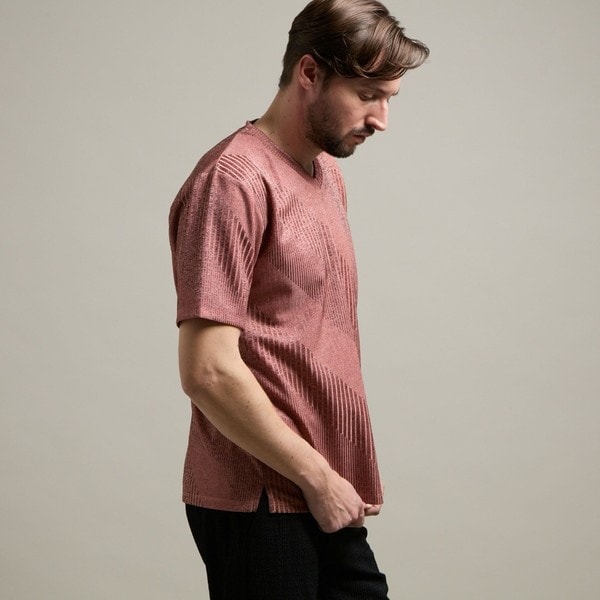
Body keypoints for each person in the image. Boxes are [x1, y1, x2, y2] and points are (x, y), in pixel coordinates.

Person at [168, 0, 428, 597]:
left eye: (390, 98)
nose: (382, 119)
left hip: (318, 490)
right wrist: (317, 476)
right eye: (368, 95)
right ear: (309, 72)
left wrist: (331, 478)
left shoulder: (325, 173)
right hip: (259, 497)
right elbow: (207, 371)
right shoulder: (232, 181)